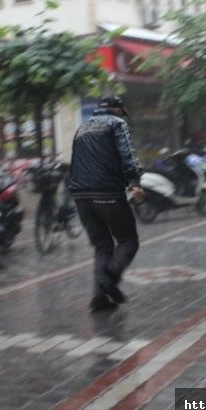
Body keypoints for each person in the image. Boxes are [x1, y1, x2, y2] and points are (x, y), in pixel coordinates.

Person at [69, 96, 145, 312]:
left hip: (81, 197)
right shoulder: (117, 124)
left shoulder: (82, 128)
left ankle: (99, 298)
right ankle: (109, 277)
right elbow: (127, 155)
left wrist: (74, 193)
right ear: (116, 109)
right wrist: (135, 182)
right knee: (128, 240)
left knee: (102, 245)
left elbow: (74, 164)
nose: (122, 115)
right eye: (121, 111)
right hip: (108, 192)